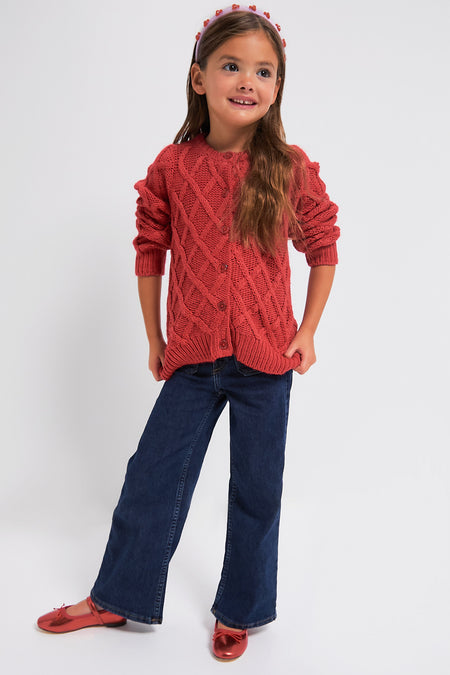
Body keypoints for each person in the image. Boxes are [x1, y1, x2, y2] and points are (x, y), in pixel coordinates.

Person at [37, 5, 340, 661]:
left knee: (257, 490)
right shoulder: (173, 166)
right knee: (151, 474)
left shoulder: (286, 166)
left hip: (267, 358)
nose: (248, 81)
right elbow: (150, 249)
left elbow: (322, 245)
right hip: (193, 358)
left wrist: (308, 330)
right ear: (199, 77)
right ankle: (119, 594)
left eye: (264, 71)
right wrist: (155, 337)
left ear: (277, 87)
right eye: (232, 66)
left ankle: (242, 609)